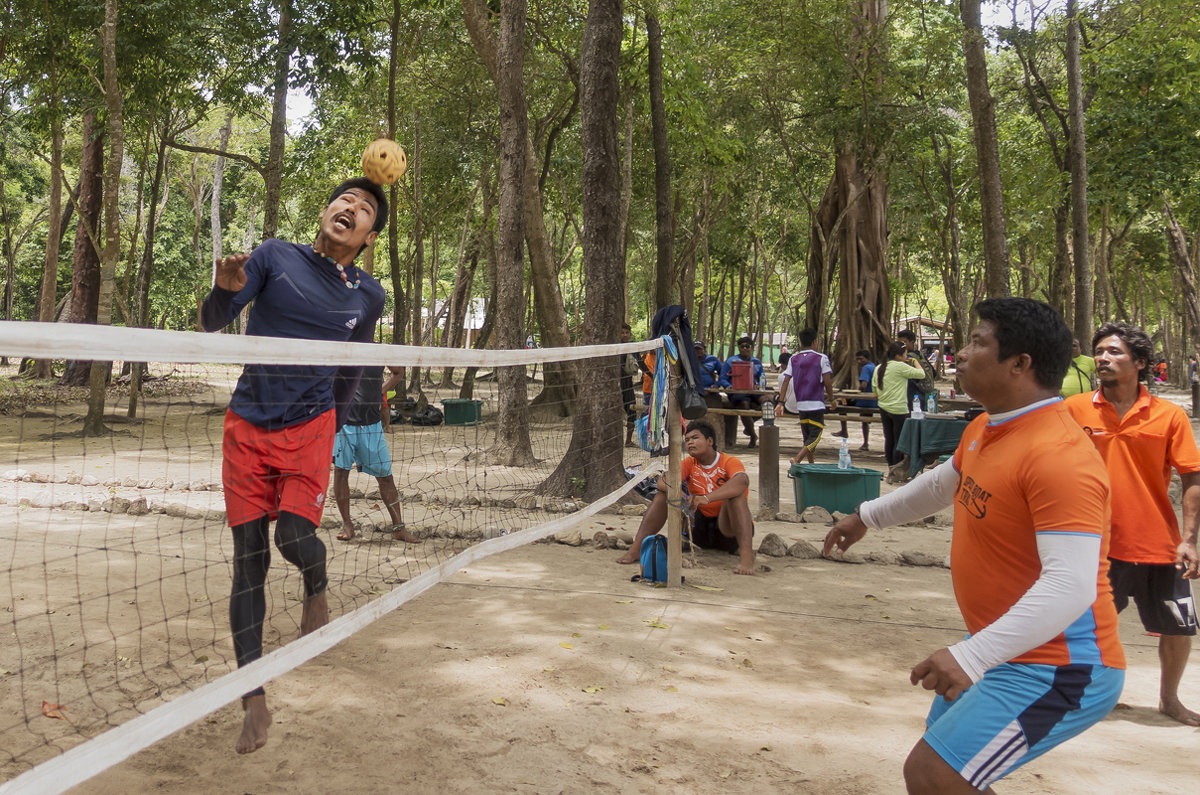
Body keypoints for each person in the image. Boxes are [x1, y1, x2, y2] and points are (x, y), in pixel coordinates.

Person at [824, 297, 1124, 792]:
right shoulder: (987, 426)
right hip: (1007, 650)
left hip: (1059, 667)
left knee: (933, 772)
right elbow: (943, 484)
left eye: (978, 343)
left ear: (1020, 365)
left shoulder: (1060, 457)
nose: (960, 354)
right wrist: (866, 516)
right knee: (947, 768)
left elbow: (1071, 586)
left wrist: (972, 657)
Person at [200, 177, 387, 755]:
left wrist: (339, 422)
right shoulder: (273, 256)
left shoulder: (369, 295)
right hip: (248, 423)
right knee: (247, 563)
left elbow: (352, 367)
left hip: (312, 424)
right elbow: (213, 320)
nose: (350, 209)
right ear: (327, 211)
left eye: (363, 210)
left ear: (369, 237)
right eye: (344, 201)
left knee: (295, 535)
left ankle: (318, 583)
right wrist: (222, 289)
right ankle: (253, 698)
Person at [1064, 321, 1200, 726]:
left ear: (1140, 363)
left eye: (1115, 352)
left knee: (1178, 627)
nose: (1103, 358)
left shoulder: (1169, 416)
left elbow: (1192, 477)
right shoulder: (1073, 410)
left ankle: (1170, 700)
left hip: (1159, 542)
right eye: (1100, 351)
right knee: (1085, 625)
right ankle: (1083, 696)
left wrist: (1190, 539)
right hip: (1094, 542)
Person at [616, 420, 756, 575]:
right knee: (663, 495)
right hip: (699, 528)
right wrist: (679, 494)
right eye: (687, 440)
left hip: (729, 529)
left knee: (736, 497)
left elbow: (742, 481)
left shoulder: (729, 461)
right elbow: (663, 481)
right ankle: (637, 548)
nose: (690, 443)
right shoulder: (689, 463)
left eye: (695, 438)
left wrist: (706, 498)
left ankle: (746, 558)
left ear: (710, 441)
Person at [332, 364, 423, 544]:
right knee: (341, 472)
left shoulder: (378, 350)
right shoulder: (341, 345)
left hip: (372, 424)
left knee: (386, 477)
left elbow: (398, 373)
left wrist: (379, 392)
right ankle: (347, 525)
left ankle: (399, 528)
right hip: (344, 423)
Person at [774, 327, 833, 464]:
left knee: (807, 436)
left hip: (801, 405)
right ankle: (797, 458)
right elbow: (828, 383)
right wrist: (832, 399)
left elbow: (786, 380)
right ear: (814, 342)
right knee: (816, 436)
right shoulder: (822, 358)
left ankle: (811, 464)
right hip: (816, 404)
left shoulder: (794, 358)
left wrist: (780, 402)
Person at [872, 341, 927, 469]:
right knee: (899, 440)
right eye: (905, 354)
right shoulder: (901, 367)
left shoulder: (878, 368)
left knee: (889, 439)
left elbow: (875, 390)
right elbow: (922, 374)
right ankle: (895, 468)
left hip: (883, 407)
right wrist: (914, 362)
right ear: (898, 356)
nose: (906, 356)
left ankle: (890, 466)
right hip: (899, 409)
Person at [718, 336, 765, 448]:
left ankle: (749, 426)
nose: (745, 349)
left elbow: (762, 377)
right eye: (742, 346)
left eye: (747, 346)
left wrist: (760, 385)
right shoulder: (731, 361)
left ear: (752, 348)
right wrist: (728, 386)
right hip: (738, 393)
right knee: (744, 405)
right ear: (738, 348)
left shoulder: (757, 362)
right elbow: (722, 378)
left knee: (768, 403)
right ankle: (753, 435)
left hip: (753, 392)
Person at [834, 349, 876, 452]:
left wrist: (858, 391)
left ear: (867, 358)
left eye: (861, 359)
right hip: (875, 400)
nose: (858, 362)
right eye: (857, 360)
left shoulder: (866, 368)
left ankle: (844, 430)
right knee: (864, 419)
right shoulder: (875, 367)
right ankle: (865, 443)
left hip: (865, 401)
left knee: (842, 403)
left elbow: (864, 384)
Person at [897, 328, 936, 405]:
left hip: (911, 395)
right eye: (899, 342)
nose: (901, 345)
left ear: (912, 342)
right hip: (922, 394)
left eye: (904, 342)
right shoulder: (920, 355)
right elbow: (934, 373)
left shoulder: (906, 358)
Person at [621, 324, 639, 447]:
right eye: (622, 332)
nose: (625, 335)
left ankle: (628, 440)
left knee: (632, 410)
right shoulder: (613, 347)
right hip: (615, 383)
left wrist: (649, 374)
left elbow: (640, 362)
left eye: (627, 332)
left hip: (627, 383)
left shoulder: (633, 347)